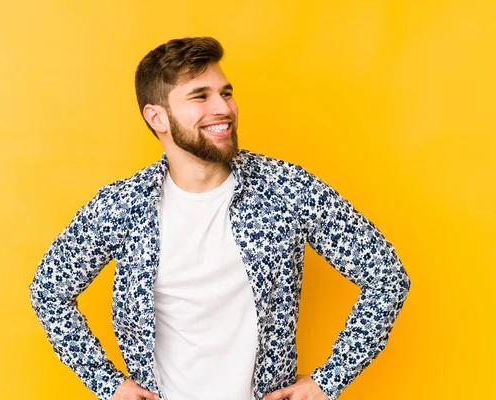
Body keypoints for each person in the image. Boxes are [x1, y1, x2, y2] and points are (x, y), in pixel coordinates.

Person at [30, 37, 411, 400]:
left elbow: (386, 275)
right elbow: (48, 290)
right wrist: (106, 382)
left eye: (225, 93)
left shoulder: (287, 188)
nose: (224, 109)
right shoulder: (123, 206)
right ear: (157, 117)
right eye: (200, 96)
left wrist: (329, 380)